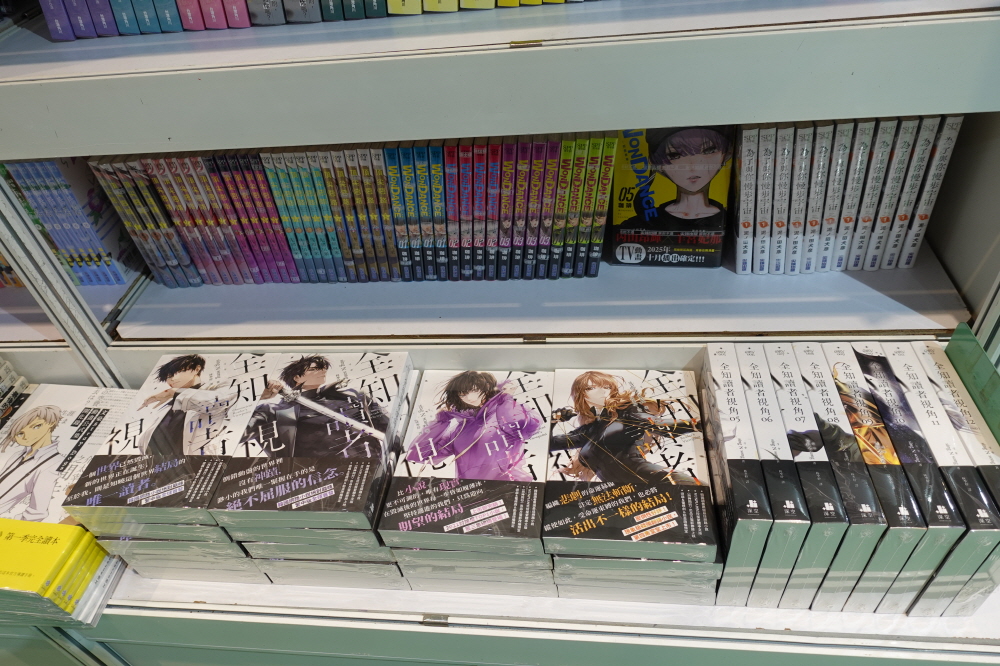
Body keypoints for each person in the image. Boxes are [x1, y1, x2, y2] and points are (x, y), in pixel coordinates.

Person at [550, 371, 700, 486]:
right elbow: (551, 444)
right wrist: (553, 421)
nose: (602, 392)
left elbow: (656, 424)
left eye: (607, 387)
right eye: (591, 388)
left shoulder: (628, 411)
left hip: (663, 482)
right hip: (629, 495)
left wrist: (695, 424)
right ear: (581, 394)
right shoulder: (587, 431)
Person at [405, 371, 542, 482]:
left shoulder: (507, 408)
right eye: (463, 394)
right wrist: (440, 422)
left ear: (487, 387)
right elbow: (417, 455)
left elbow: (522, 428)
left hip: (510, 488)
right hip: (472, 495)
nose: (469, 397)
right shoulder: (460, 429)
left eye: (474, 390)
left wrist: (505, 399)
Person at [242, 355, 388, 459]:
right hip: (320, 481)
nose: (322, 371)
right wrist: (255, 397)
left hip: (373, 468)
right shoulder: (272, 411)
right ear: (297, 377)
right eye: (315, 369)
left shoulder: (353, 396)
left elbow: (388, 427)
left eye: (323, 368)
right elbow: (236, 433)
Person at [617, 127, 732, 233]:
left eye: (708, 150)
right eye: (675, 155)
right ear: (657, 164)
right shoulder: (637, 224)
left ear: (726, 154)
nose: (692, 166)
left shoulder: (732, 221)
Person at [136, 354, 240, 457]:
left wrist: (174, 392)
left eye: (175, 373)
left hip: (198, 461)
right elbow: (147, 441)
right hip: (161, 463)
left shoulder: (220, 386)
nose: (171, 379)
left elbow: (216, 402)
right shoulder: (168, 406)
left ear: (196, 369)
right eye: (167, 377)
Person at [0, 405, 63, 522]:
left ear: (51, 423)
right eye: (20, 433)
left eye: (36, 426)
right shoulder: (17, 455)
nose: (27, 436)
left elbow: (38, 511)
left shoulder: (52, 463)